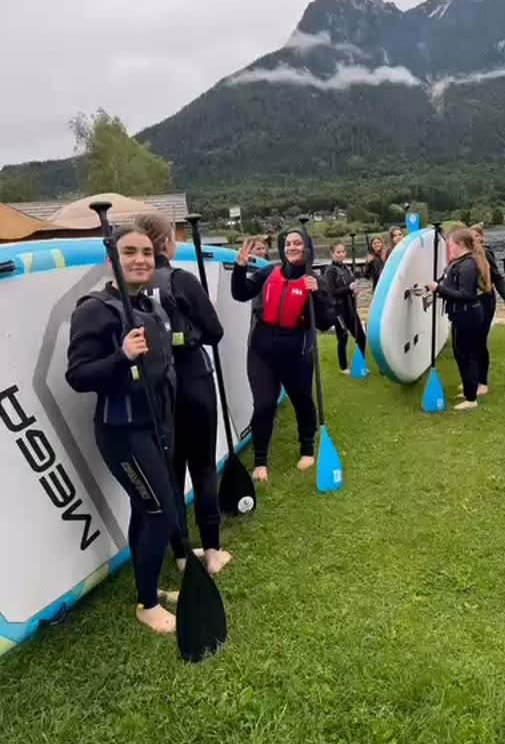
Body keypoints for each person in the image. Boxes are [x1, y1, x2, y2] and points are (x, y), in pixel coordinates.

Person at [66, 226, 179, 635]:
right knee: (161, 512)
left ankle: (148, 588)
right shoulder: (94, 309)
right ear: (110, 258)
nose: (140, 260)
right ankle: (147, 605)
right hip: (122, 432)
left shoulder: (146, 307)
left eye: (147, 252)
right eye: (129, 251)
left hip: (155, 427)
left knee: (144, 508)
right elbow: (78, 375)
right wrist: (121, 355)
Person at [134, 213, 231, 576]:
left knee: (171, 471)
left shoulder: (133, 286)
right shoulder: (180, 279)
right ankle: (212, 552)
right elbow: (215, 332)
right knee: (202, 467)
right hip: (192, 379)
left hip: (157, 388)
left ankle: (179, 552)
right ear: (168, 241)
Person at [231, 228, 334, 482]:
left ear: (307, 247)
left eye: (298, 243)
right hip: (261, 352)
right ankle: (260, 460)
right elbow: (240, 293)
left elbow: (324, 322)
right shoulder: (268, 273)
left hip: (296, 352)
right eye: (288, 243)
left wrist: (318, 294)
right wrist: (240, 268)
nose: (292, 247)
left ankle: (308, 448)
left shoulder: (316, 280)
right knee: (264, 404)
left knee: (302, 400)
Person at [424, 228, 485, 411]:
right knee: (460, 354)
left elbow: (466, 294)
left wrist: (438, 289)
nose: (449, 248)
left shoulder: (467, 265)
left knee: (468, 356)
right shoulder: (458, 263)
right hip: (460, 315)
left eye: (451, 245)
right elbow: (453, 290)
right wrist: (434, 291)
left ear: (460, 245)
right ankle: (468, 390)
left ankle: (471, 398)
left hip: (469, 316)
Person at [470, 224, 505, 396]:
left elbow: (497, 276)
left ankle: (482, 382)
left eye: (473, 236)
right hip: (471, 301)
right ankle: (472, 379)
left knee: (480, 341)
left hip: (486, 301)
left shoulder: (485, 252)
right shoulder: (466, 256)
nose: (471, 240)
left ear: (481, 237)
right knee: (471, 342)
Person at [325, 241, 367, 375]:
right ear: (332, 254)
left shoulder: (346, 268)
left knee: (361, 336)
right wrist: (348, 288)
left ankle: (362, 362)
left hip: (350, 307)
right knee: (342, 338)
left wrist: (355, 290)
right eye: (338, 252)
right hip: (339, 310)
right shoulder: (330, 270)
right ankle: (343, 367)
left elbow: (351, 286)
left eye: (343, 251)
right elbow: (332, 291)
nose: (341, 254)